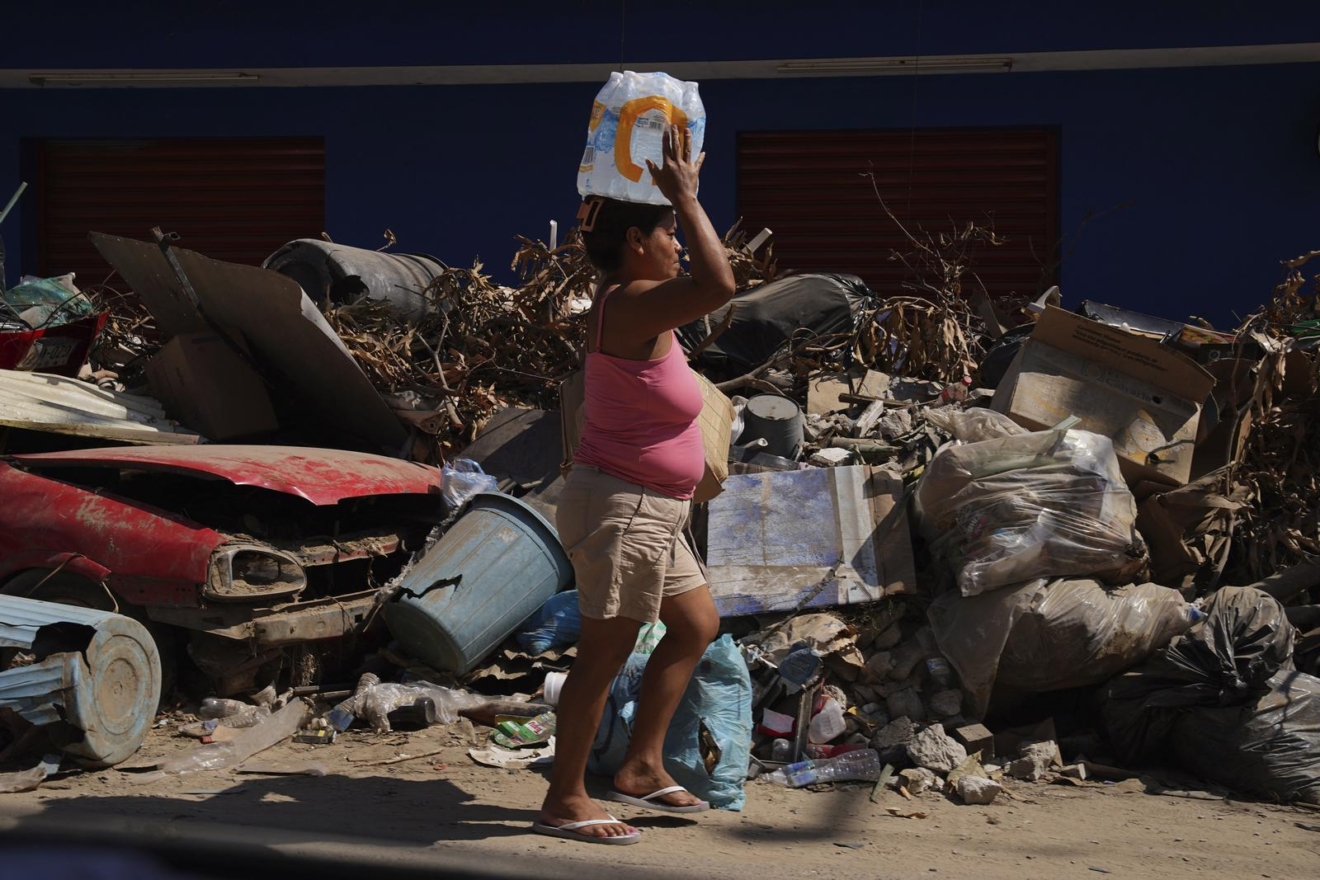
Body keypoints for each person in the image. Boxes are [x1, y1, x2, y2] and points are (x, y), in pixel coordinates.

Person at [534, 124, 736, 845]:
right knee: (604, 655)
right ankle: (564, 797)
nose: (679, 240)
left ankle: (642, 767)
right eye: (669, 232)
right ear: (638, 245)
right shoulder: (629, 306)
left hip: (653, 508)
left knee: (695, 625)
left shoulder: (633, 294)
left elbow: (695, 271)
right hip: (623, 507)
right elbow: (720, 282)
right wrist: (682, 196)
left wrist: (670, 198)